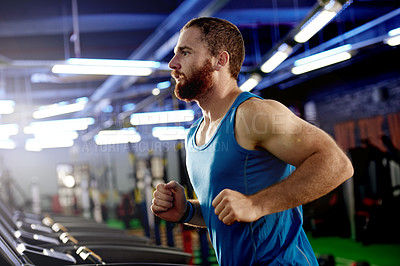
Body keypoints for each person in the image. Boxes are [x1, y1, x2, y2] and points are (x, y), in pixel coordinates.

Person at [151, 17, 354, 265]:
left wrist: (257, 204)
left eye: (185, 52)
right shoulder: (194, 135)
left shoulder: (253, 114)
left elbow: (337, 163)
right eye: (175, 54)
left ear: (220, 60)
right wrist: (187, 211)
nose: (173, 64)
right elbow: (231, 213)